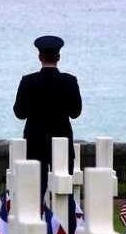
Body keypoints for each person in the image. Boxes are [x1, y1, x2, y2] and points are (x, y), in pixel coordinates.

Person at [13, 35, 82, 200]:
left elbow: (19, 113)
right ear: (58, 57)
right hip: (62, 142)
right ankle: (66, 225)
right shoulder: (69, 81)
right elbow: (76, 112)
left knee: (34, 194)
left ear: (39, 57)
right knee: (64, 193)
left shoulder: (28, 81)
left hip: (35, 143)